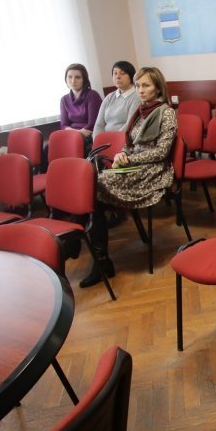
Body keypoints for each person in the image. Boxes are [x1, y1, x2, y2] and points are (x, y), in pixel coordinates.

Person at [81, 66, 177, 288]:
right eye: (138, 85)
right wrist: (122, 154)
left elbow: (162, 152)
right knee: (90, 187)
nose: (140, 90)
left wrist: (130, 159)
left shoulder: (166, 113)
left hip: (154, 170)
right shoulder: (140, 111)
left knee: (95, 187)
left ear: (157, 88)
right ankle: (100, 259)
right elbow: (129, 144)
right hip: (135, 167)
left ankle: (97, 258)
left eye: (146, 85)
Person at [93, 60, 141, 135]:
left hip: (122, 138)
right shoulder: (109, 97)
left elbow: (129, 125)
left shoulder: (137, 96)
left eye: (123, 73)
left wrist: (112, 139)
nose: (118, 77)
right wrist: (97, 140)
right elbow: (99, 125)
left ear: (131, 76)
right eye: (115, 73)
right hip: (105, 139)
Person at [60, 63, 102, 139]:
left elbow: (92, 124)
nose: (73, 81)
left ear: (84, 79)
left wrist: (79, 133)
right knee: (50, 144)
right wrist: (77, 132)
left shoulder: (92, 95)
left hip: (89, 134)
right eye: (70, 77)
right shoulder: (64, 99)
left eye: (78, 77)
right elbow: (64, 125)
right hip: (72, 134)